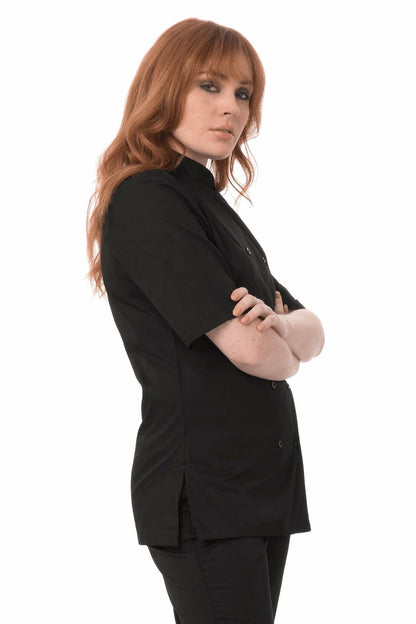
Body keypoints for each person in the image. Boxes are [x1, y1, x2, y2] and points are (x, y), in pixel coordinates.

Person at [86, 17, 324, 624]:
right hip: (207, 492)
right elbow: (253, 352)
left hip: (259, 485)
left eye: (243, 94)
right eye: (210, 86)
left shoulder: (209, 204)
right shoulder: (149, 199)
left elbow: (312, 329)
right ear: (165, 87)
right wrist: (283, 342)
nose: (232, 109)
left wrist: (282, 329)